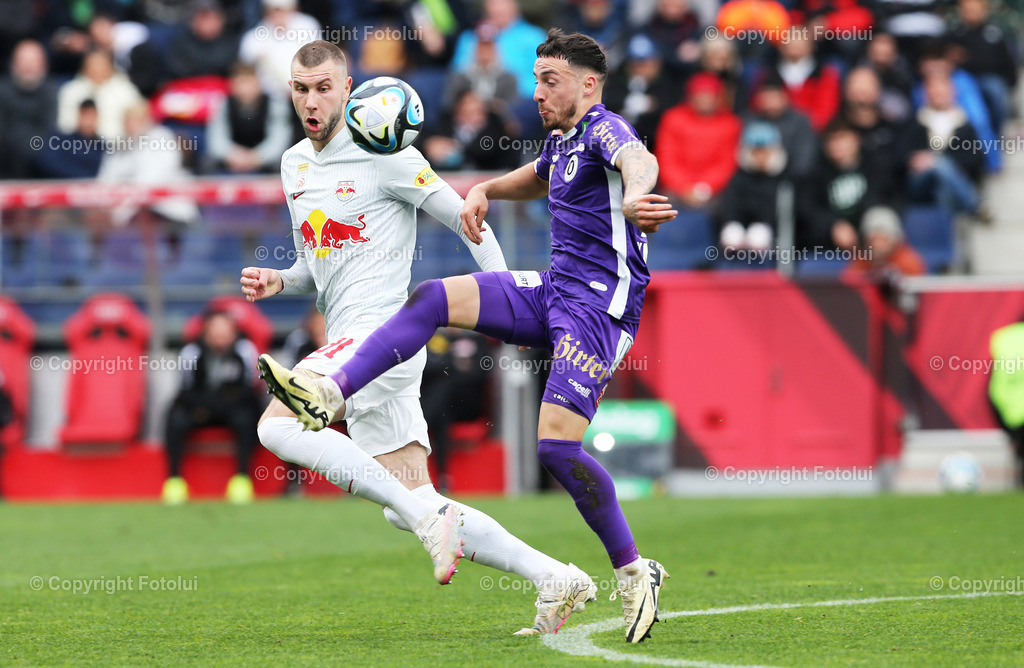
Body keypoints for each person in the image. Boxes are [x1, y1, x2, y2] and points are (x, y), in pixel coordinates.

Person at [256, 30, 674, 644]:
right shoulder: (294, 164)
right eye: (300, 89)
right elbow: (534, 177)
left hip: (578, 312)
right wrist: (279, 278)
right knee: (411, 494)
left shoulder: (603, 128)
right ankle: (554, 577)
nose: (536, 92)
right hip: (548, 290)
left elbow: (637, 159)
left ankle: (634, 569)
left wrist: (638, 197)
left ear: (349, 91)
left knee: (277, 425)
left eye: (547, 80)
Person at [162, 310, 262, 505]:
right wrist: (206, 407)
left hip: (233, 409)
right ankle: (174, 481)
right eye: (215, 331)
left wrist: (221, 406)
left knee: (247, 418)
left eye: (225, 331)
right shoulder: (191, 352)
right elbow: (185, 392)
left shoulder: (245, 351)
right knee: (174, 418)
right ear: (206, 332)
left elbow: (250, 390)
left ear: (234, 333)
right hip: (200, 410)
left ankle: (242, 479)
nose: (220, 337)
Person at [655, 72, 741, 209]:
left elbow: (726, 163)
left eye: (709, 95)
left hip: (713, 192)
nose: (704, 99)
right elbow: (666, 158)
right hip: (674, 190)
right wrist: (684, 188)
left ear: (718, 98)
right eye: (699, 95)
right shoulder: (673, 118)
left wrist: (704, 188)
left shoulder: (730, 123)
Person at [797, 119, 881, 252]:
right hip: (826, 243)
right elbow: (808, 208)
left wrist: (863, 230)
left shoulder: (875, 168)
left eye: (842, 139)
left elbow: (884, 200)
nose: (836, 145)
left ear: (856, 141)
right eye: (831, 140)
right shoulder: (815, 173)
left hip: (868, 236)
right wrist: (833, 225)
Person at [206, 62, 293, 174]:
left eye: (250, 83)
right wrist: (232, 155)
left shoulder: (275, 103)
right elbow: (216, 140)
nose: (245, 89)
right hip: (230, 163)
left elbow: (279, 140)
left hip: (266, 164)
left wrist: (257, 157)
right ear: (232, 85)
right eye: (241, 83)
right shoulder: (223, 104)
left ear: (259, 83)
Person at [717, 122, 789, 252]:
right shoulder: (739, 177)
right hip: (741, 226)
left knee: (758, 238)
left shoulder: (783, 179)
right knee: (731, 236)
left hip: (768, 230)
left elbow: (782, 213)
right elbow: (730, 205)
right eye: (756, 152)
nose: (760, 157)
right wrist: (734, 224)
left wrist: (765, 225)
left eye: (765, 152)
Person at [0, 39, 58, 179]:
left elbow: (49, 128)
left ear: (44, 65)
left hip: (41, 157)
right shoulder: (2, 91)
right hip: (6, 158)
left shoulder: (50, 92)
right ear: (13, 64)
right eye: (23, 61)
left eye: (33, 62)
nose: (28, 67)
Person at [56, 49, 144, 139]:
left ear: (110, 66)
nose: (97, 68)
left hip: (118, 145)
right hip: (79, 145)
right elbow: (65, 124)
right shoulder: (71, 91)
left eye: (101, 64)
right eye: (93, 64)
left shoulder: (126, 90)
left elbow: (137, 121)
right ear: (84, 66)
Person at [846, 206, 926, 278]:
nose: (877, 245)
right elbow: (848, 284)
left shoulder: (908, 262)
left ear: (894, 240)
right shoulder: (861, 262)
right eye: (873, 239)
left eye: (882, 239)